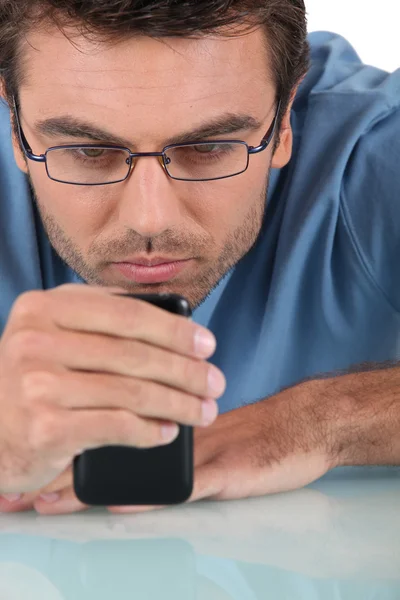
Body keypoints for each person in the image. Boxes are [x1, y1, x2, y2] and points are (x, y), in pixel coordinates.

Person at [0, 0, 399, 516]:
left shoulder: (375, 154)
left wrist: (322, 420)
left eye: (209, 146)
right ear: (14, 123)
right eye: (87, 150)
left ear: (283, 122)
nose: (149, 219)